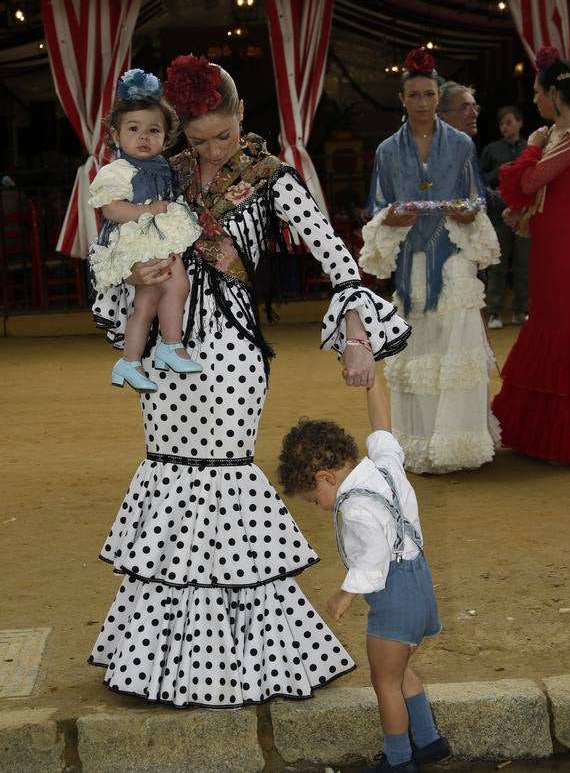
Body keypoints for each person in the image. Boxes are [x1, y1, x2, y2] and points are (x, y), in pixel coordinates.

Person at [88, 54, 411, 708]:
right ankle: (162, 660)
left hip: (234, 351)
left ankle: (254, 657)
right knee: (169, 472)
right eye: (197, 140)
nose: (207, 153)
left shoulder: (273, 179)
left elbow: (334, 253)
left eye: (221, 137)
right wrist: (134, 274)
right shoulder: (159, 173)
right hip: (164, 351)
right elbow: (110, 249)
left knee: (223, 473)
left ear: (242, 118)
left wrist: (354, 336)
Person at [277, 372, 450, 773]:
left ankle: (398, 760)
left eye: (314, 497)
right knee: (401, 669)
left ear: (326, 477)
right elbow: (382, 428)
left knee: (384, 682)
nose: (320, 506)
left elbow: (373, 558)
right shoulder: (384, 466)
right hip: (421, 587)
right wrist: (373, 386)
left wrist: (345, 594)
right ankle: (428, 742)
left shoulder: (354, 505)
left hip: (394, 597)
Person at [360, 49, 500, 475]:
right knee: (420, 344)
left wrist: (469, 209)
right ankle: (420, 443)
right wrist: (392, 215)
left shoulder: (460, 144)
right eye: (414, 95)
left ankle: (459, 443)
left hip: (454, 249)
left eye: (429, 95)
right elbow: (377, 205)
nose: (422, 102)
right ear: (402, 99)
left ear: (439, 98)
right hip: (411, 254)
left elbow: (477, 195)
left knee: (457, 334)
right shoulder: (387, 150)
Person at [493, 46, 570, 463]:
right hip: (551, 235)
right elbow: (537, 194)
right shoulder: (562, 135)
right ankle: (546, 434)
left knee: (561, 323)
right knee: (550, 321)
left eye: (538, 92)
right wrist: (525, 216)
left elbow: (531, 180)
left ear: (555, 93)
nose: (534, 99)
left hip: (566, 239)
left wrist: (532, 145)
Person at [88, 69, 203, 391]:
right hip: (137, 240)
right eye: (134, 129)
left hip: (153, 237)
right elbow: (111, 209)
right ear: (115, 134)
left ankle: (129, 361)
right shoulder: (117, 170)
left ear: (166, 137)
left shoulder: (164, 166)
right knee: (178, 285)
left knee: (147, 303)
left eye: (153, 130)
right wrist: (148, 210)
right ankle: (171, 344)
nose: (143, 137)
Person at [479, 106, 529, 329]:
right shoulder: (491, 150)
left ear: (519, 122)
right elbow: (479, 181)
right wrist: (499, 171)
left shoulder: (531, 147)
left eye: (509, 122)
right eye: (502, 124)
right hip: (498, 215)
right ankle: (495, 312)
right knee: (497, 266)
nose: (505, 127)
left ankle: (521, 310)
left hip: (525, 214)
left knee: (523, 265)